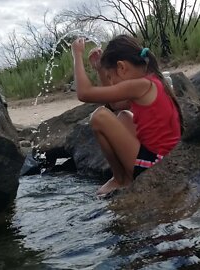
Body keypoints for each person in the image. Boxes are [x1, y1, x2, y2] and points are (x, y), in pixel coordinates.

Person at [71, 35, 183, 196]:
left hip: (155, 165)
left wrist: (77, 55)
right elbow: (115, 104)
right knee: (123, 115)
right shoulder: (151, 81)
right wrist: (101, 70)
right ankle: (123, 176)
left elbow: (84, 93)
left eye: (110, 77)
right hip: (164, 158)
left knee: (99, 117)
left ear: (122, 68)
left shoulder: (141, 85)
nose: (111, 82)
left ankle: (121, 179)